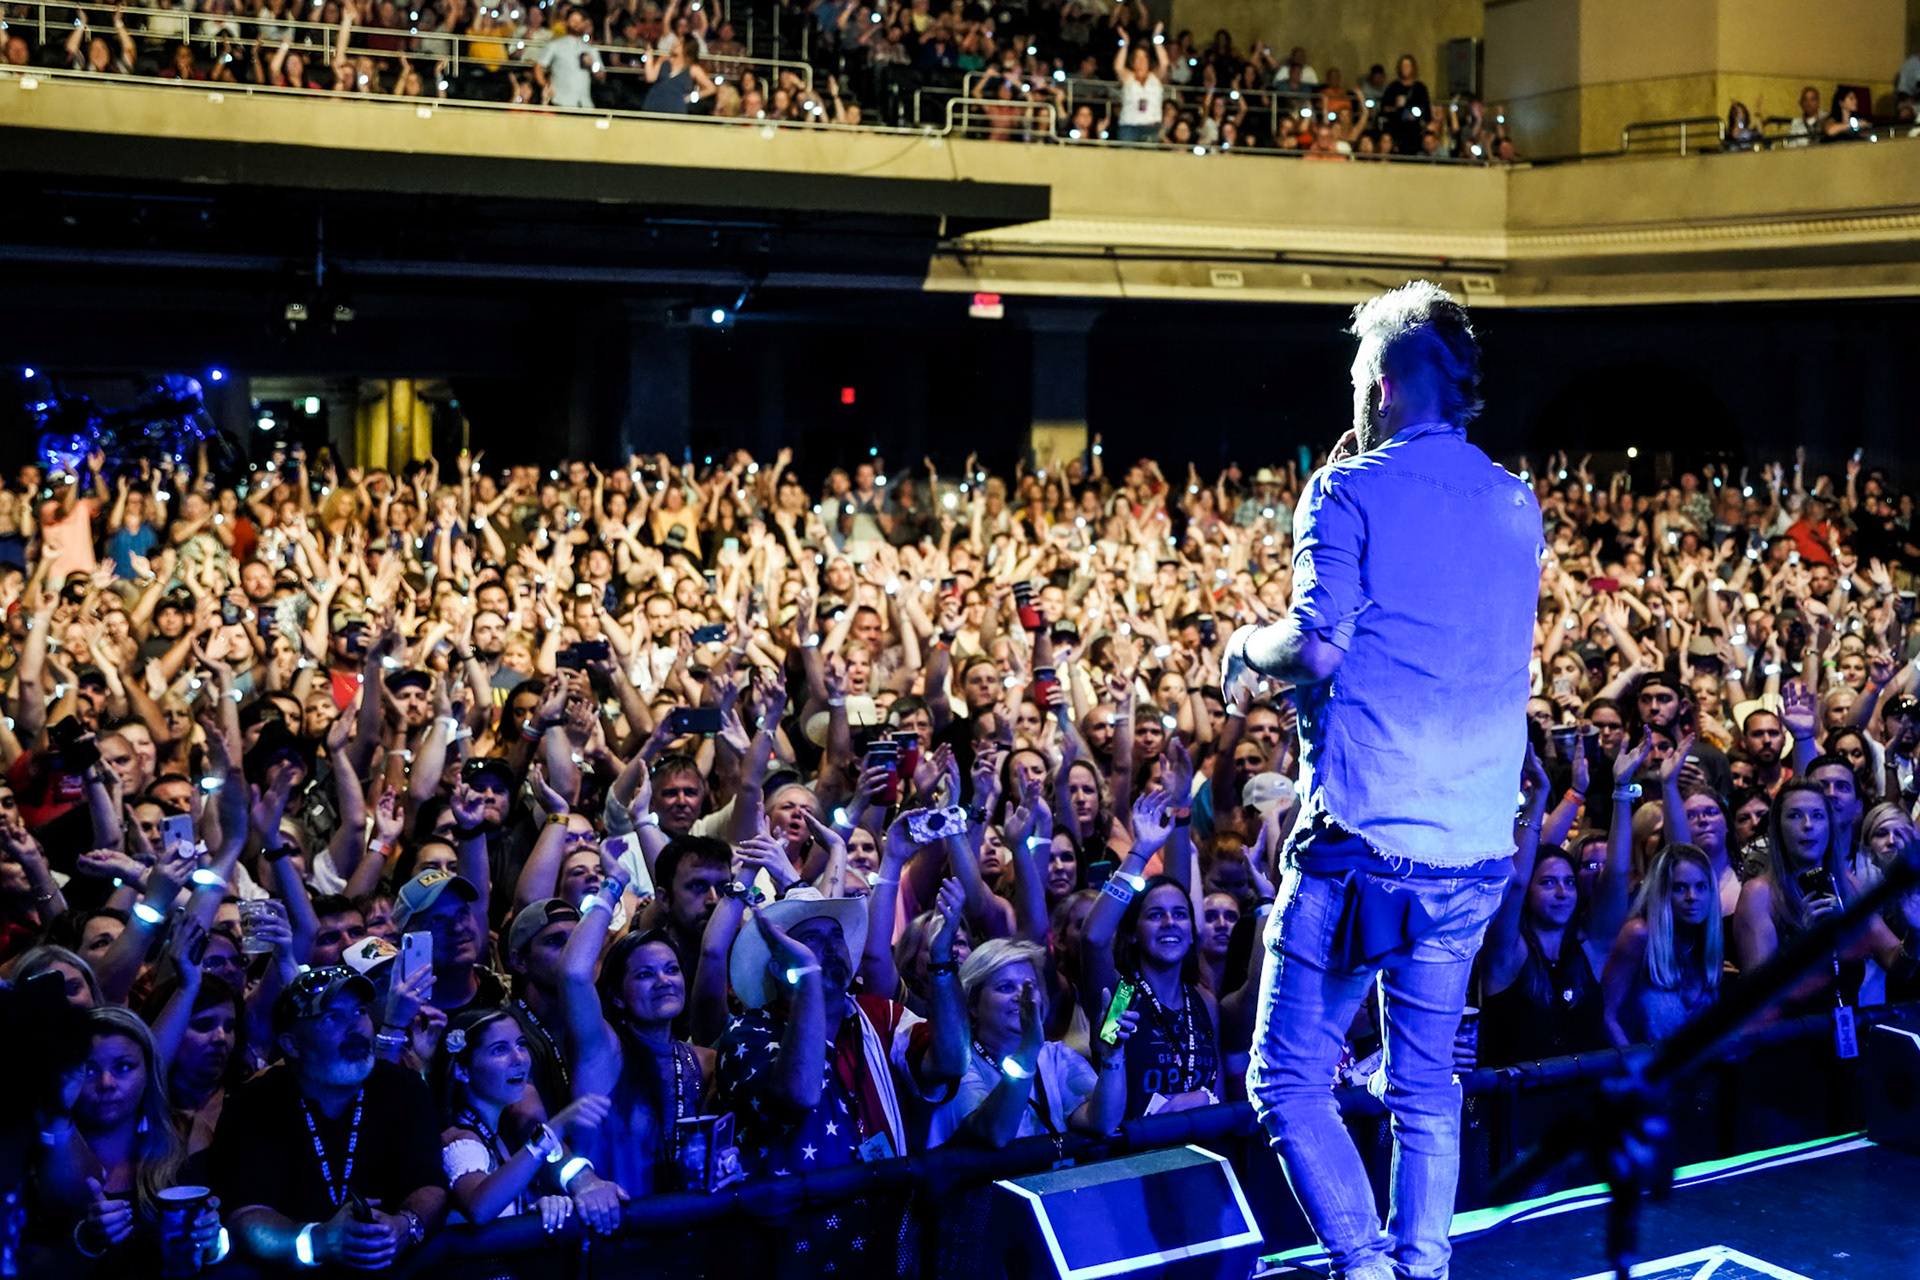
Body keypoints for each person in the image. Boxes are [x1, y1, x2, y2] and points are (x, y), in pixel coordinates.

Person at [1231, 281, 1541, 1280]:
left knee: (1287, 1081)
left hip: (1364, 850)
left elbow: (1317, 647)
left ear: (1381, 386)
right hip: (1473, 852)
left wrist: (1243, 647)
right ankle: (1424, 1268)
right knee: (1423, 1088)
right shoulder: (1515, 501)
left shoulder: (1348, 488)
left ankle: (1366, 1267)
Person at [208, 967, 448, 1270]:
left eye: (360, 1011)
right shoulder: (255, 1104)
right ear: (292, 1044)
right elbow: (245, 1216)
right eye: (332, 1017)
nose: (355, 1026)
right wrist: (319, 1240)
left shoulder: (403, 1088)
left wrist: (405, 1226)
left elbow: (430, 1184)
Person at [926, 938, 1135, 1147]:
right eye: (1006, 987)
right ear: (973, 1004)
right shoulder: (957, 1065)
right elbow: (995, 1134)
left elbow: (1102, 1122)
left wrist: (1113, 1056)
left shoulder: (1056, 1056)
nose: (1021, 996)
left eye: (1030, 986)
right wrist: (1027, 1052)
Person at [433, 1006, 623, 1232]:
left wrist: (541, 1207)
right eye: (500, 1050)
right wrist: (555, 1128)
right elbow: (479, 1208)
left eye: (521, 1044)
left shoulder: (496, 1136)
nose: (519, 1059)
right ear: (463, 1071)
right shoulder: (462, 1140)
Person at [1600, 844, 1722, 1046]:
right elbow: (1606, 1015)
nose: (1692, 897)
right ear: (1662, 892)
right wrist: (1635, 1062)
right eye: (1680, 887)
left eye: (1701, 886)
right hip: (1645, 1063)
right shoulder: (1639, 934)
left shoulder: (1705, 942)